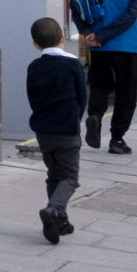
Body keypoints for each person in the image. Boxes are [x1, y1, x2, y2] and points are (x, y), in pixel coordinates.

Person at [78, 0, 137, 154]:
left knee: (99, 85)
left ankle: (95, 116)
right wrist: (105, 35)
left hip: (98, 45)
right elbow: (131, 14)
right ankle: (117, 139)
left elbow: (76, 5)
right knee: (126, 93)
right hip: (127, 44)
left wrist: (89, 33)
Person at [25, 15, 88, 243]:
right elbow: (82, 97)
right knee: (70, 177)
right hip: (67, 131)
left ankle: (59, 220)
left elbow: (32, 97)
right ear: (62, 38)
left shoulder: (34, 67)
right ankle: (54, 210)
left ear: (35, 44)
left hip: (43, 132)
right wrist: (75, 119)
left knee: (54, 174)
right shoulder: (72, 65)